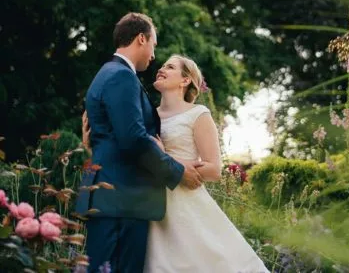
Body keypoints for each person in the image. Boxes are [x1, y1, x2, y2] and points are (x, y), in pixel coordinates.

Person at [83, 53, 270, 272]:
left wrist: (166, 157)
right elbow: (131, 149)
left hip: (185, 207)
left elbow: (214, 169)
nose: (161, 69)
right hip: (148, 205)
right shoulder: (147, 114)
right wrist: (93, 144)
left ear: (185, 80)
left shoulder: (198, 114)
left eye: (170, 67)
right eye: (162, 65)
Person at [76, 13, 204, 273]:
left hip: (113, 198)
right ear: (141, 39)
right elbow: (133, 139)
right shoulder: (121, 76)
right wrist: (177, 172)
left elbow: (114, 136)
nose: (154, 55)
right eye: (154, 46)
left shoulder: (109, 73)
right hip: (121, 200)